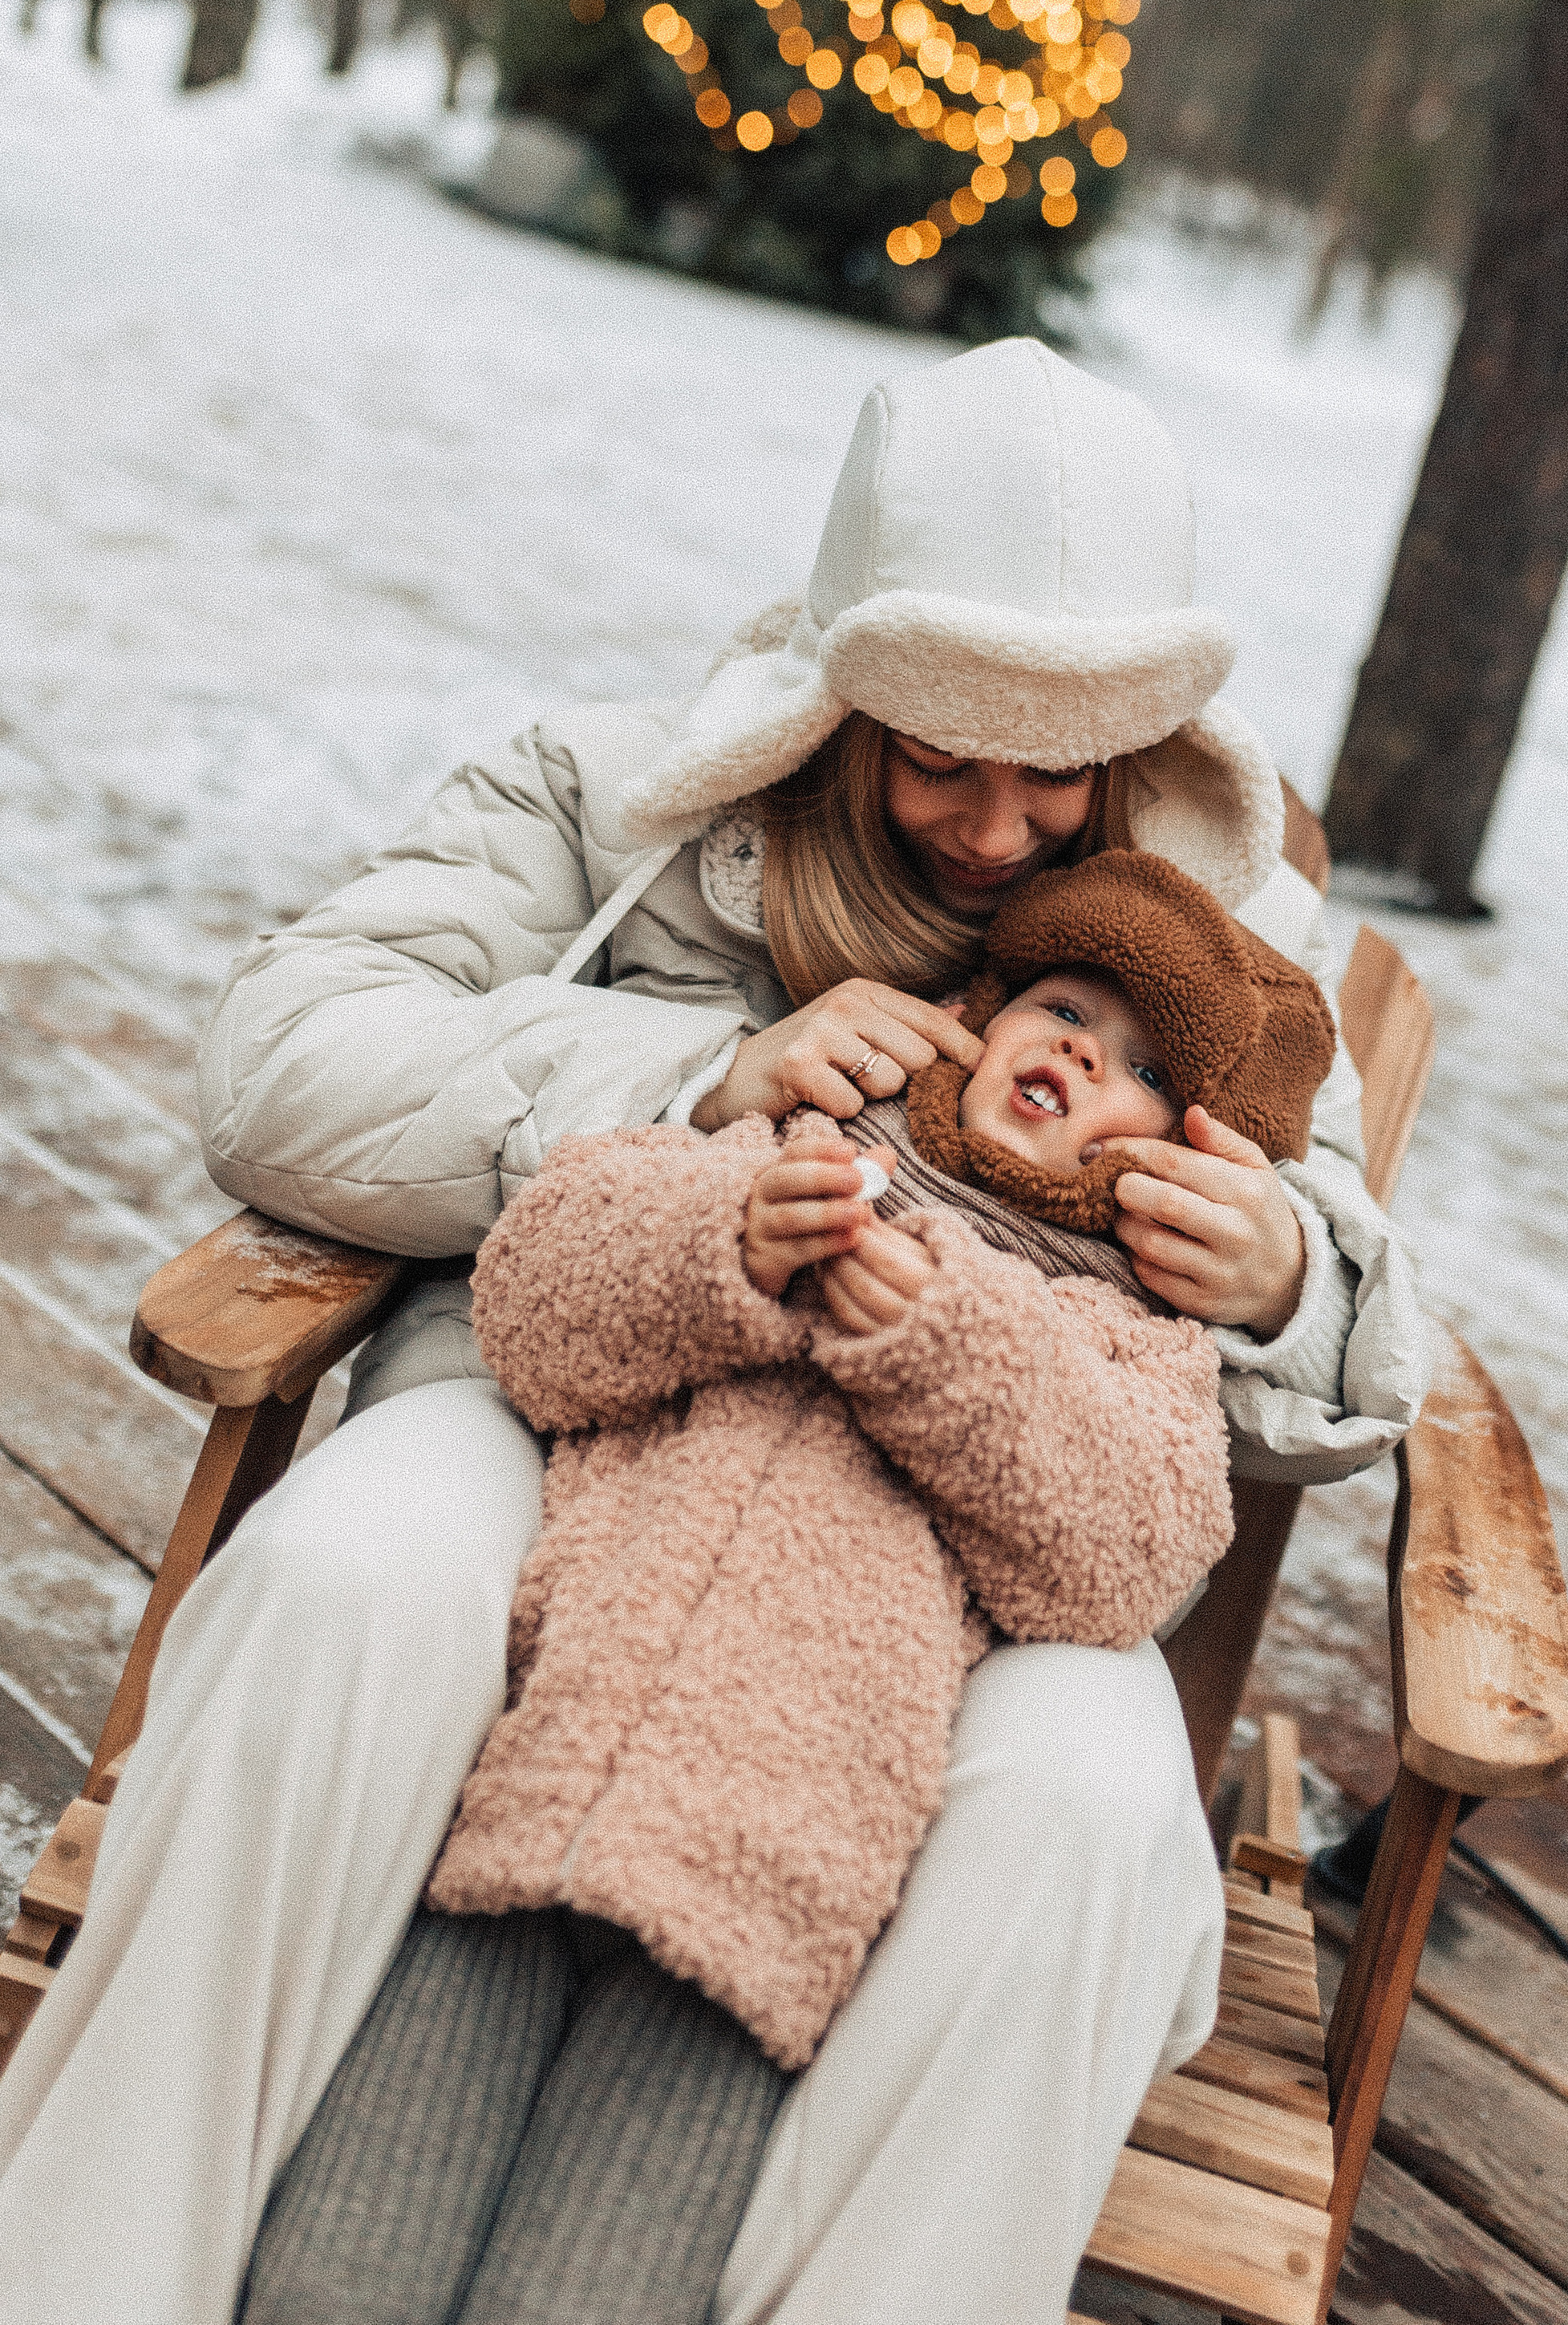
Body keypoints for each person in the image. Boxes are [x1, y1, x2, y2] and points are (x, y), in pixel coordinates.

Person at [0, 339, 1424, 2325]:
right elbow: (280, 1071)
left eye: (1056, 767)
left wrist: (1279, 1279)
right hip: (562, 1410)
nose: (1001, 831)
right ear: (843, 694)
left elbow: (1355, 1356)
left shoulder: (1218, 946)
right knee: (342, 1586)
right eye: (938, 753)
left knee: (1094, 1835)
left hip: (999, 1565)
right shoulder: (611, 800)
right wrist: (703, 1071)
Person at [239, 847, 1333, 2324]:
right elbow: (539, 1298)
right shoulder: (809, 1141)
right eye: (1066, 1006)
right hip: (531, 1786)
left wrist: (950, 1345)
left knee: (583, 2299)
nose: (1083, 1052)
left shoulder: (1123, 1330)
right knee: (333, 2269)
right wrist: (730, 1246)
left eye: (1139, 1068)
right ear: (982, 1011)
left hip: (773, 1896)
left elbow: (1126, 1555)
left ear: (1191, 1157)